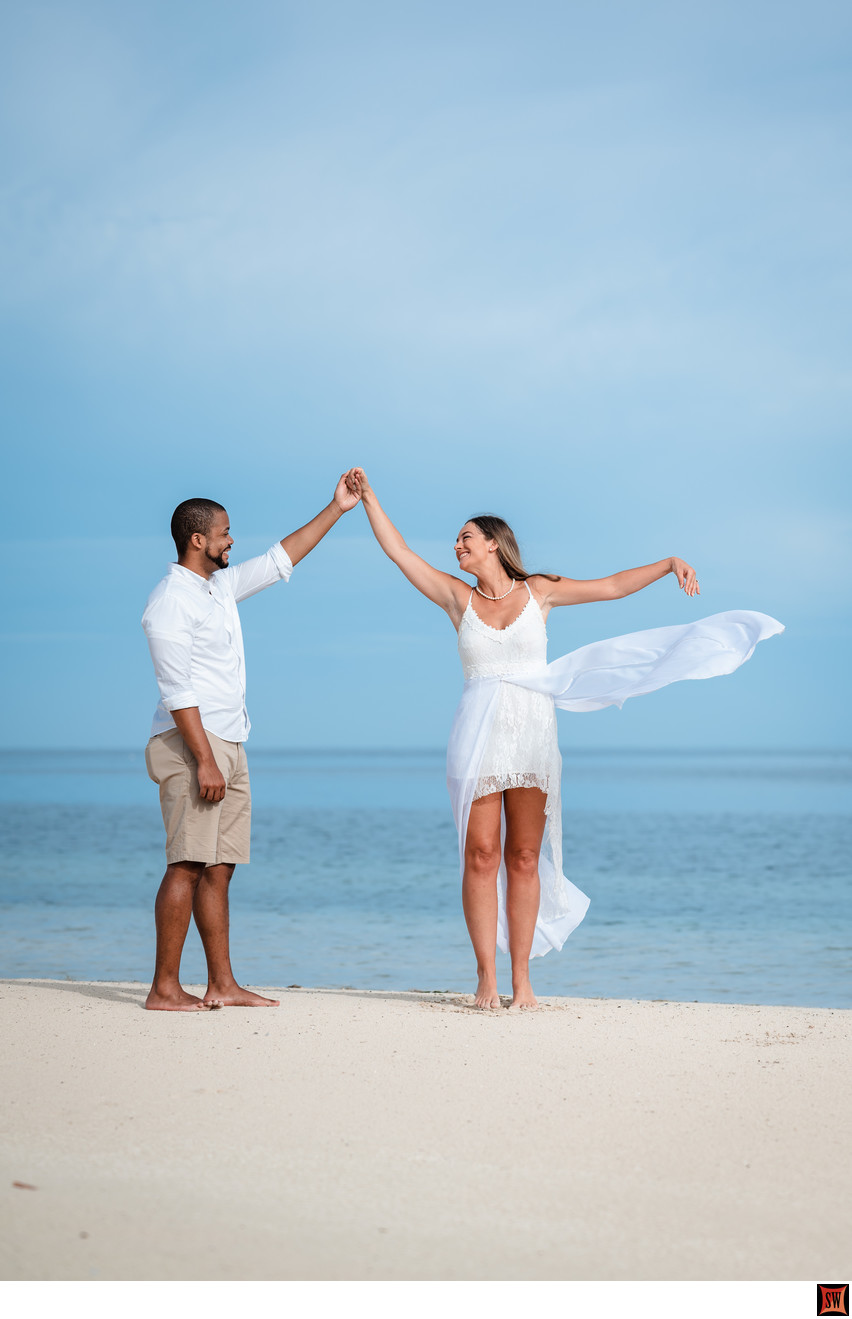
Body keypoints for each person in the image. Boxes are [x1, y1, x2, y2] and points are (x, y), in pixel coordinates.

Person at [346, 467, 782, 1011]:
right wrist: (367, 500)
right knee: (481, 854)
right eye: (457, 539)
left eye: (466, 537)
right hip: (478, 733)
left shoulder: (540, 593)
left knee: (523, 855)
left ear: (494, 545)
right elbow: (400, 553)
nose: (456, 545)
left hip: (532, 732)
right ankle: (486, 978)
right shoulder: (457, 598)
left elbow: (613, 586)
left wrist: (669, 562)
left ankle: (522, 980)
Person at [142, 475, 360, 1011]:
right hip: (194, 743)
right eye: (224, 533)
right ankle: (164, 988)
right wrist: (205, 759)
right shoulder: (170, 601)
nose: (230, 541)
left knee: (219, 868)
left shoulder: (217, 588)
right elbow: (177, 691)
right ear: (198, 539)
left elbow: (281, 558)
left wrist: (337, 507)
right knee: (187, 863)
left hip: (230, 738)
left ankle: (222, 984)